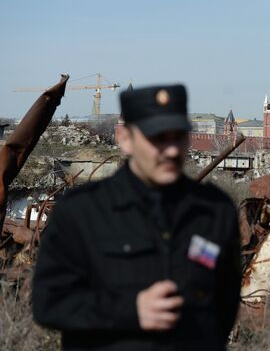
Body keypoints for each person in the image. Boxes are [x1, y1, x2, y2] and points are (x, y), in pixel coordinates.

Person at [32, 85, 241, 350]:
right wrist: (130, 310)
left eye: (178, 136)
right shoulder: (81, 212)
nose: (172, 150)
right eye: (158, 138)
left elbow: (225, 305)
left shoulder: (214, 210)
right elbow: (49, 303)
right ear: (125, 138)